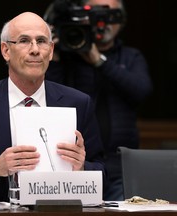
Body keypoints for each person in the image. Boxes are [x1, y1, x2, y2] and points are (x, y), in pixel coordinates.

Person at [0, 11, 105, 202]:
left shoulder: (78, 103)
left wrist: (81, 168)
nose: (34, 50)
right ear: (6, 50)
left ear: (50, 50)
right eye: (24, 41)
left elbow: (102, 172)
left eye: (41, 41)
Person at [44, 0, 153, 201]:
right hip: (75, 164)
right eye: (95, 13)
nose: (103, 21)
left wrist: (98, 61)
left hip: (121, 165)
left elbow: (141, 91)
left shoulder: (130, 57)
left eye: (110, 15)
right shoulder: (68, 57)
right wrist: (54, 55)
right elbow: (48, 100)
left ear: (121, 21)